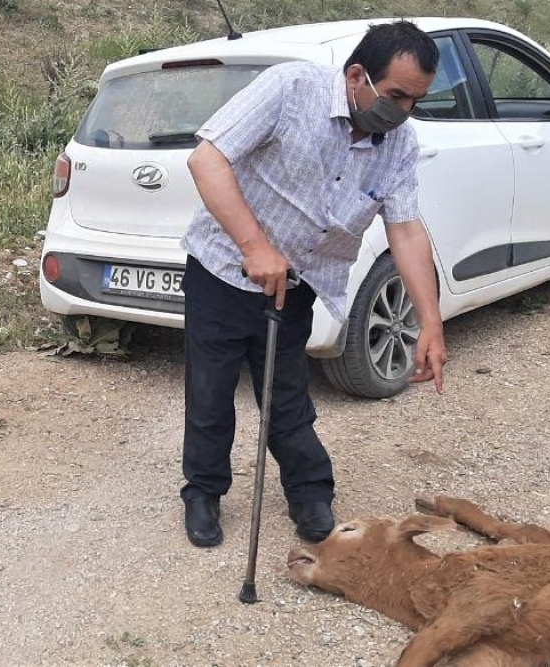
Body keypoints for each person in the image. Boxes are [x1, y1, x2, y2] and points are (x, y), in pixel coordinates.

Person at [179, 21, 448, 548]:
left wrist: (430, 322)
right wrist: (255, 247)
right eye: (395, 96)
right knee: (210, 392)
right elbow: (206, 158)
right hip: (221, 271)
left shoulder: (399, 143)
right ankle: (203, 492)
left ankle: (309, 494)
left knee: (286, 395)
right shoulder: (290, 89)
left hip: (297, 283)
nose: (403, 112)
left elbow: (406, 229)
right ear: (356, 76)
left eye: (416, 101)